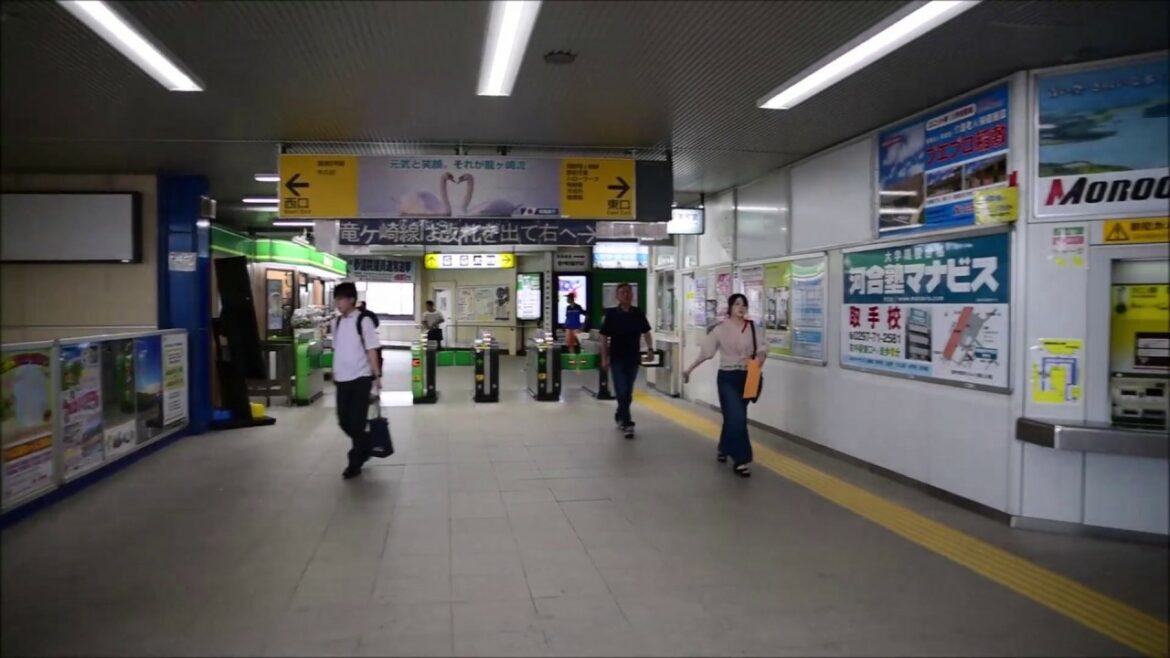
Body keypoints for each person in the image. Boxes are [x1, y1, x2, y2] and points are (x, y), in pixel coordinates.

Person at [683, 294, 766, 478]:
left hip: (748, 377)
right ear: (730, 307)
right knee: (737, 417)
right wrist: (689, 370)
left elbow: (762, 349)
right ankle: (741, 459)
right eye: (737, 304)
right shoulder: (720, 329)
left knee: (736, 416)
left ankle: (724, 447)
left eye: (744, 304)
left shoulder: (753, 327)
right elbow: (706, 353)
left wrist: (758, 362)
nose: (741, 307)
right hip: (728, 377)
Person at [331, 282, 382, 480]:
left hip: (361, 378)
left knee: (357, 422)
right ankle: (366, 444)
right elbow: (337, 348)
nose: (338, 304)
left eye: (340, 299)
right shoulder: (336, 323)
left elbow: (371, 349)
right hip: (342, 379)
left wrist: (376, 376)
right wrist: (333, 370)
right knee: (344, 421)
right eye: (336, 300)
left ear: (351, 300)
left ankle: (355, 462)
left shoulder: (363, 321)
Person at [599, 283, 653, 439]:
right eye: (623, 292)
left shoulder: (637, 313)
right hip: (617, 358)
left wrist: (650, 349)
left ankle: (620, 414)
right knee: (621, 389)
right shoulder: (611, 315)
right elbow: (603, 337)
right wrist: (604, 358)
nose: (626, 295)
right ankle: (627, 423)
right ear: (617, 296)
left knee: (627, 392)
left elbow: (646, 332)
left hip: (633, 358)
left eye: (628, 292)